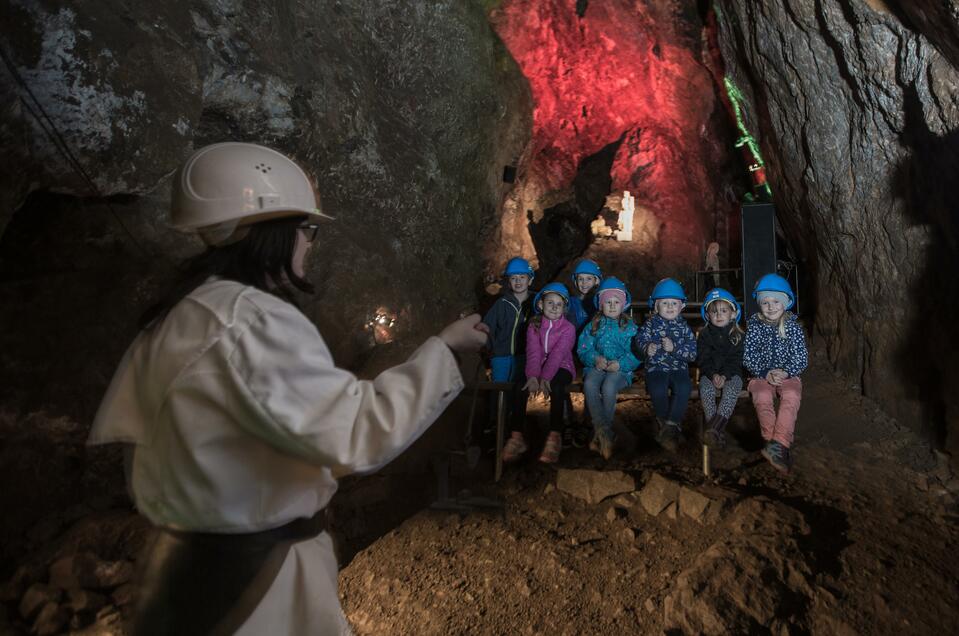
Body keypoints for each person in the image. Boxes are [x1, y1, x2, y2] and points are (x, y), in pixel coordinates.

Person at [87, 142, 488, 636]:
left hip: (186, 564)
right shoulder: (253, 320)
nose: (310, 243)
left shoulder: (182, 314)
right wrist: (445, 350)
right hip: (255, 574)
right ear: (274, 233)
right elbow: (358, 431)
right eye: (308, 230)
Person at [502, 282, 577, 464]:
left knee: (557, 387)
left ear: (564, 308)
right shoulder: (533, 326)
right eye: (550, 303)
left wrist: (545, 378)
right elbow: (533, 353)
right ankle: (516, 436)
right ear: (541, 305)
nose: (554, 307)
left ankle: (555, 436)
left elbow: (558, 354)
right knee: (520, 385)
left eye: (559, 304)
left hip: (562, 366)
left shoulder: (568, 329)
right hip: (539, 367)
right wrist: (533, 377)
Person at [743, 273, 808, 474]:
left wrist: (787, 372)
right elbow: (748, 357)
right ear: (759, 304)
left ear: (785, 302)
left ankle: (778, 443)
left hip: (788, 375)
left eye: (775, 301)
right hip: (761, 375)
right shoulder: (754, 327)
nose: (770, 306)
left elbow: (801, 357)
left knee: (792, 394)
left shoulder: (793, 328)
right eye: (765, 302)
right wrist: (765, 372)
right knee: (761, 395)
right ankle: (776, 445)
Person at [576, 277, 640, 460]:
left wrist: (621, 364)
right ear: (601, 305)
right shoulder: (593, 325)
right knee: (589, 384)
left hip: (621, 370)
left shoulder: (629, 327)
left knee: (609, 386)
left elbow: (637, 353)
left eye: (616, 302)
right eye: (608, 302)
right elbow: (583, 348)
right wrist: (595, 359)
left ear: (623, 304)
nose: (612, 306)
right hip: (597, 366)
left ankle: (604, 432)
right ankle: (604, 431)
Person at [636, 278, 697, 452]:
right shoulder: (650, 325)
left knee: (684, 387)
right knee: (657, 389)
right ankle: (667, 424)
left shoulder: (685, 328)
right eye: (664, 303)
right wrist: (646, 347)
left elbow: (692, 353)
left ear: (681, 306)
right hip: (656, 368)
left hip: (679, 368)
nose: (670, 306)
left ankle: (670, 425)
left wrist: (675, 348)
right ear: (655, 307)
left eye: (674, 303)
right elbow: (639, 340)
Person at [696, 287, 745, 448]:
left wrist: (724, 375)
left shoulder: (738, 335)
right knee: (706, 389)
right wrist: (712, 375)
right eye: (714, 311)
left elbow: (737, 359)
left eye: (723, 310)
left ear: (732, 313)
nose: (718, 315)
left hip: (732, 374)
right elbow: (703, 358)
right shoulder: (704, 335)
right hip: (709, 374)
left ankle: (713, 429)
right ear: (707, 315)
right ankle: (716, 432)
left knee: (732, 389)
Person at [564, 258, 602, 448]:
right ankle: (566, 423)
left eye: (589, 279)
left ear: (596, 281)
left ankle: (588, 423)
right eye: (581, 279)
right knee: (559, 378)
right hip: (569, 353)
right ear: (575, 281)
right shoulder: (568, 303)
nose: (584, 283)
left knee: (592, 381)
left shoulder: (599, 304)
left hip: (590, 354)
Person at [482, 257, 534, 383]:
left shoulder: (536, 303)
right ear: (509, 282)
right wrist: (492, 349)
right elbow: (488, 326)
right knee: (499, 390)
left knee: (519, 391)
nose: (518, 281)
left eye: (522, 277)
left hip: (523, 357)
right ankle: (497, 403)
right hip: (500, 357)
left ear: (530, 280)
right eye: (513, 278)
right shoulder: (501, 303)